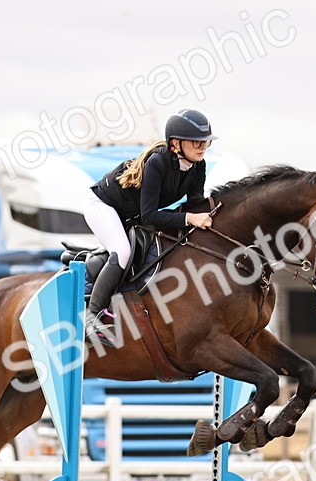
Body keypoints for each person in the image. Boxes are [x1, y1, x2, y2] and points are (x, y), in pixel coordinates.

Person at [83, 109, 217, 332]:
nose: (203, 146)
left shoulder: (198, 165)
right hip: (102, 205)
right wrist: (190, 218)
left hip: (129, 213)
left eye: (205, 142)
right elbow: (150, 215)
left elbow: (195, 203)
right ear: (176, 143)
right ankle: (91, 314)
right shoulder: (158, 162)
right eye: (196, 142)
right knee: (123, 252)